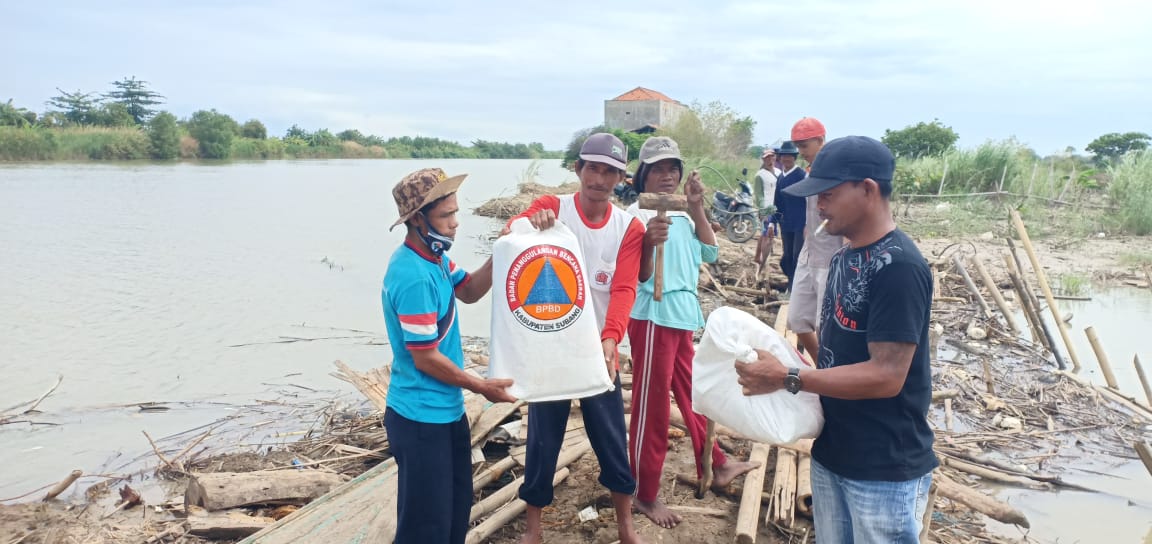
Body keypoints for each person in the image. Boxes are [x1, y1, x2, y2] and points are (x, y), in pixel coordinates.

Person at [735, 136, 936, 544]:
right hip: (833, 454)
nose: (819, 206)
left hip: (882, 467)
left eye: (827, 195)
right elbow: (834, 348)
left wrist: (789, 377)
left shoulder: (899, 267)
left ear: (868, 189)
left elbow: (887, 376)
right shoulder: (844, 256)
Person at [511, 133, 647, 544]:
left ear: (621, 178)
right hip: (550, 350)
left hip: (599, 352)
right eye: (593, 168)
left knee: (611, 440)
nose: (600, 179)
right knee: (542, 442)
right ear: (578, 170)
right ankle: (533, 529)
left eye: (610, 171)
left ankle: (626, 526)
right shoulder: (554, 208)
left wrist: (611, 339)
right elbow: (512, 235)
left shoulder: (629, 227)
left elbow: (625, 289)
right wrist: (527, 222)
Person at [625, 137, 760, 528]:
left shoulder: (683, 213)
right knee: (651, 408)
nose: (667, 177)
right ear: (643, 176)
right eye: (658, 170)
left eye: (673, 170)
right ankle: (643, 492)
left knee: (694, 390)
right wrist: (649, 242)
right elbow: (640, 275)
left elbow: (711, 253)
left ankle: (715, 462)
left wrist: (698, 205)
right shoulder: (636, 216)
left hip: (683, 315)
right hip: (653, 317)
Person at [381, 168, 518, 544]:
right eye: (446, 216)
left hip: (447, 412)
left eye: (456, 213)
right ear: (417, 219)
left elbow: (470, 290)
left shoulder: (436, 259)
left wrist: (502, 253)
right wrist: (480, 386)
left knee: (453, 516)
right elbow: (424, 358)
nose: (455, 224)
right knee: (425, 529)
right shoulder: (412, 275)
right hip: (419, 419)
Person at [788, 117, 843, 359]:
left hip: (831, 256)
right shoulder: (809, 173)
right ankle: (821, 365)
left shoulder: (839, 173)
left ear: (821, 140)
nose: (801, 152)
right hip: (809, 252)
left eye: (804, 146)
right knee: (797, 319)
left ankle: (830, 373)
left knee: (826, 325)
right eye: (798, 146)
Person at [772, 141, 806, 288]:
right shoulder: (780, 177)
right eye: (783, 156)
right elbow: (777, 201)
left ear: (794, 157)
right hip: (786, 224)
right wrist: (773, 220)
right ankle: (791, 283)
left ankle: (794, 287)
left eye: (789, 156)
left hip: (800, 223)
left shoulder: (801, 175)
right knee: (786, 257)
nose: (786, 159)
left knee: (797, 256)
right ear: (780, 158)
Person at [753, 148, 782, 271]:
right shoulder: (760, 175)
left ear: (775, 158)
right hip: (767, 209)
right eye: (767, 158)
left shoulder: (779, 172)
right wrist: (762, 211)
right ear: (763, 160)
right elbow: (759, 195)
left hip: (777, 207)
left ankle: (757, 257)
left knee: (765, 235)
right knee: (767, 236)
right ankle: (764, 264)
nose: (770, 160)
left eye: (771, 157)